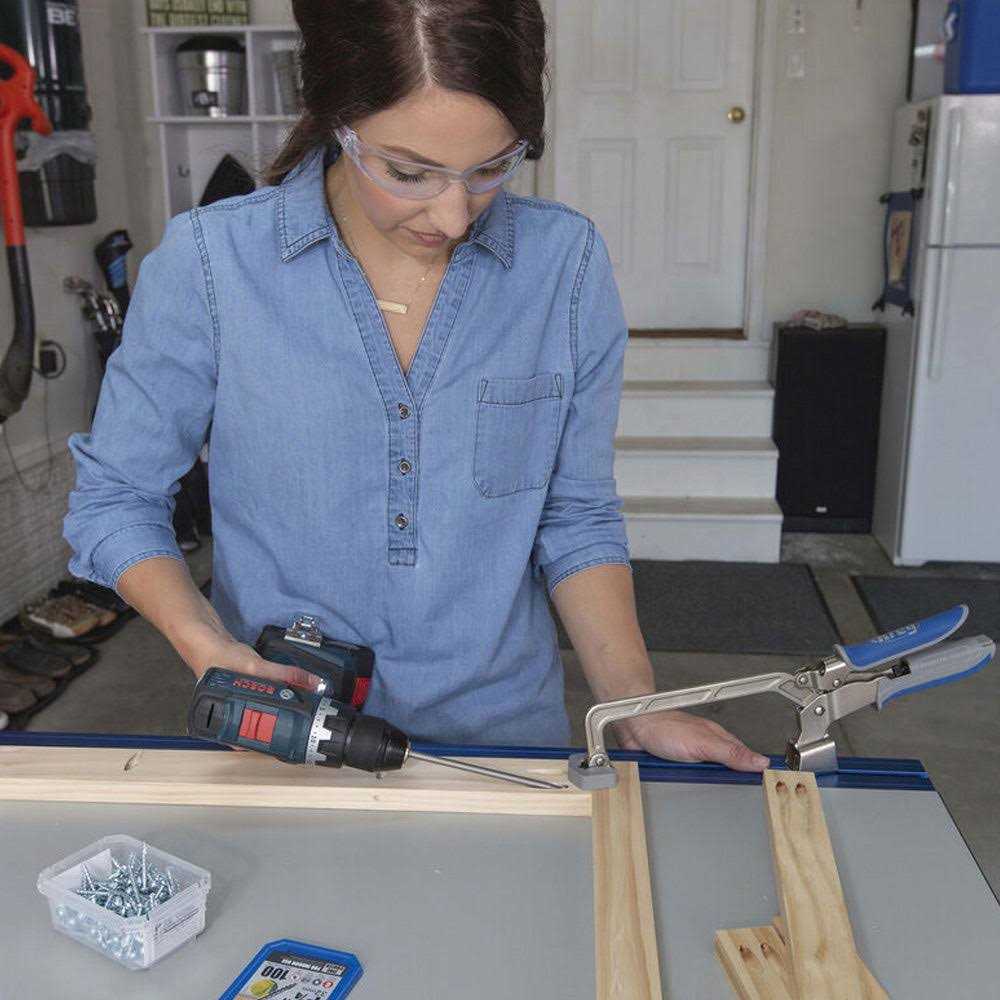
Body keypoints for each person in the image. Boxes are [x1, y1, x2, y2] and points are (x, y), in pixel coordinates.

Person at [64, 0, 767, 770]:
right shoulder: (212, 265)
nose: (455, 216)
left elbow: (575, 514)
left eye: (492, 168)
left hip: (505, 741)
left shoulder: (562, 264)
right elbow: (115, 498)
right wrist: (205, 644)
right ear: (337, 121)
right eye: (408, 172)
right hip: (287, 735)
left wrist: (633, 704)